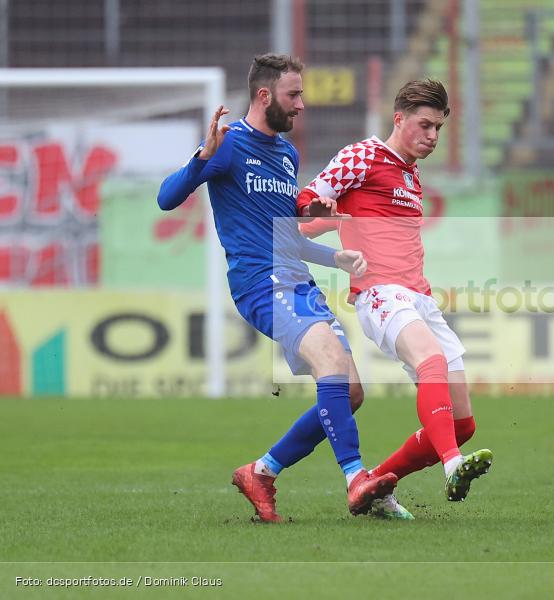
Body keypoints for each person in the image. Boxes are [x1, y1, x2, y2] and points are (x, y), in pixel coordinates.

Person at [156, 53, 397, 523]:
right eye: (294, 94)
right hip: (259, 283)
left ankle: (261, 472)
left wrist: (335, 257)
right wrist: (201, 158)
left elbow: (285, 237)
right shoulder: (228, 144)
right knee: (330, 361)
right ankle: (355, 478)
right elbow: (166, 199)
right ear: (264, 95)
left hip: (296, 281)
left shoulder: (287, 155)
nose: (302, 104)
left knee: (349, 393)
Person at [297, 79, 492, 520]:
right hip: (380, 293)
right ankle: (453, 466)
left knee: (463, 423)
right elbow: (308, 206)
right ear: (399, 118)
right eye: (424, 125)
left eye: (439, 128)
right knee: (431, 363)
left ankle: (376, 486)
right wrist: (323, 213)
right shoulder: (363, 155)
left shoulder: (409, 174)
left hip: (419, 297)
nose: (432, 136)